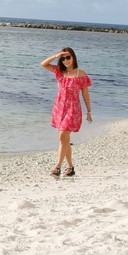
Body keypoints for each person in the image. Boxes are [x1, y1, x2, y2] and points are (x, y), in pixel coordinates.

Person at [40, 47, 92, 177]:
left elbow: (85, 94)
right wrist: (56, 56)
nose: (65, 60)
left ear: (73, 57)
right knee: (65, 139)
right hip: (59, 108)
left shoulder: (81, 74)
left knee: (62, 136)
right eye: (63, 58)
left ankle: (57, 167)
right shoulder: (59, 72)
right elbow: (43, 64)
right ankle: (70, 168)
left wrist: (89, 111)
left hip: (73, 109)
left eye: (68, 57)